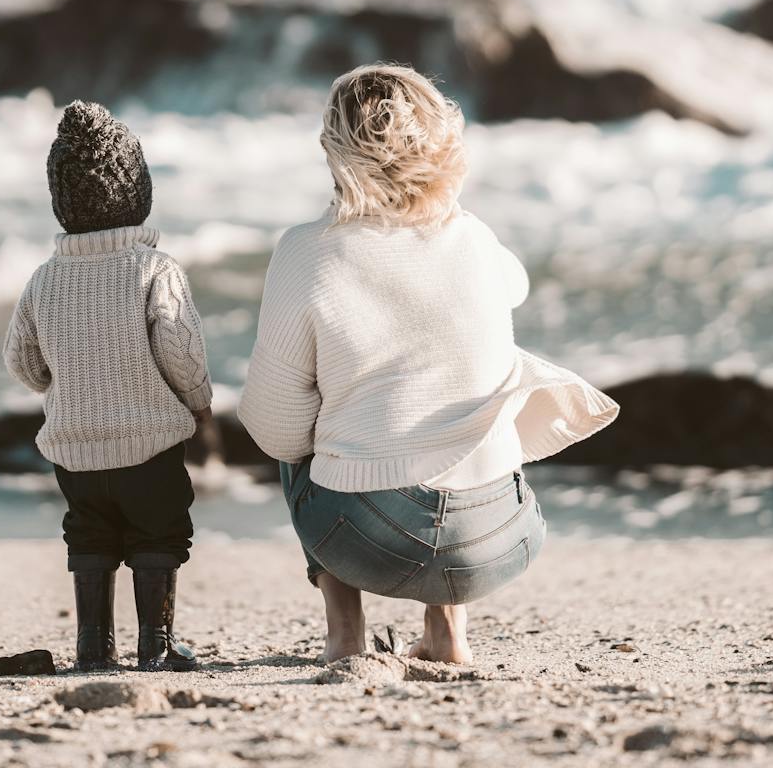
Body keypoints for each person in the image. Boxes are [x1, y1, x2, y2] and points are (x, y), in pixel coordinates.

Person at [239, 64, 619, 663]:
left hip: (367, 539)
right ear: (441, 142)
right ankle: (448, 635)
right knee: (454, 394)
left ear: (334, 151)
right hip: (501, 538)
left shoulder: (308, 251)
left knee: (302, 431)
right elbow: (514, 286)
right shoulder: (472, 237)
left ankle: (344, 635)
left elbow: (271, 427)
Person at [3, 101, 213, 672]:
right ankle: (157, 643)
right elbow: (182, 355)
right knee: (159, 535)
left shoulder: (44, 279)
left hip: (74, 451)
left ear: (61, 202)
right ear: (138, 191)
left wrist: (59, 380)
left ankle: (93, 645)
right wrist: (198, 404)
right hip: (151, 443)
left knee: (89, 536)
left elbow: (22, 359)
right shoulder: (154, 269)